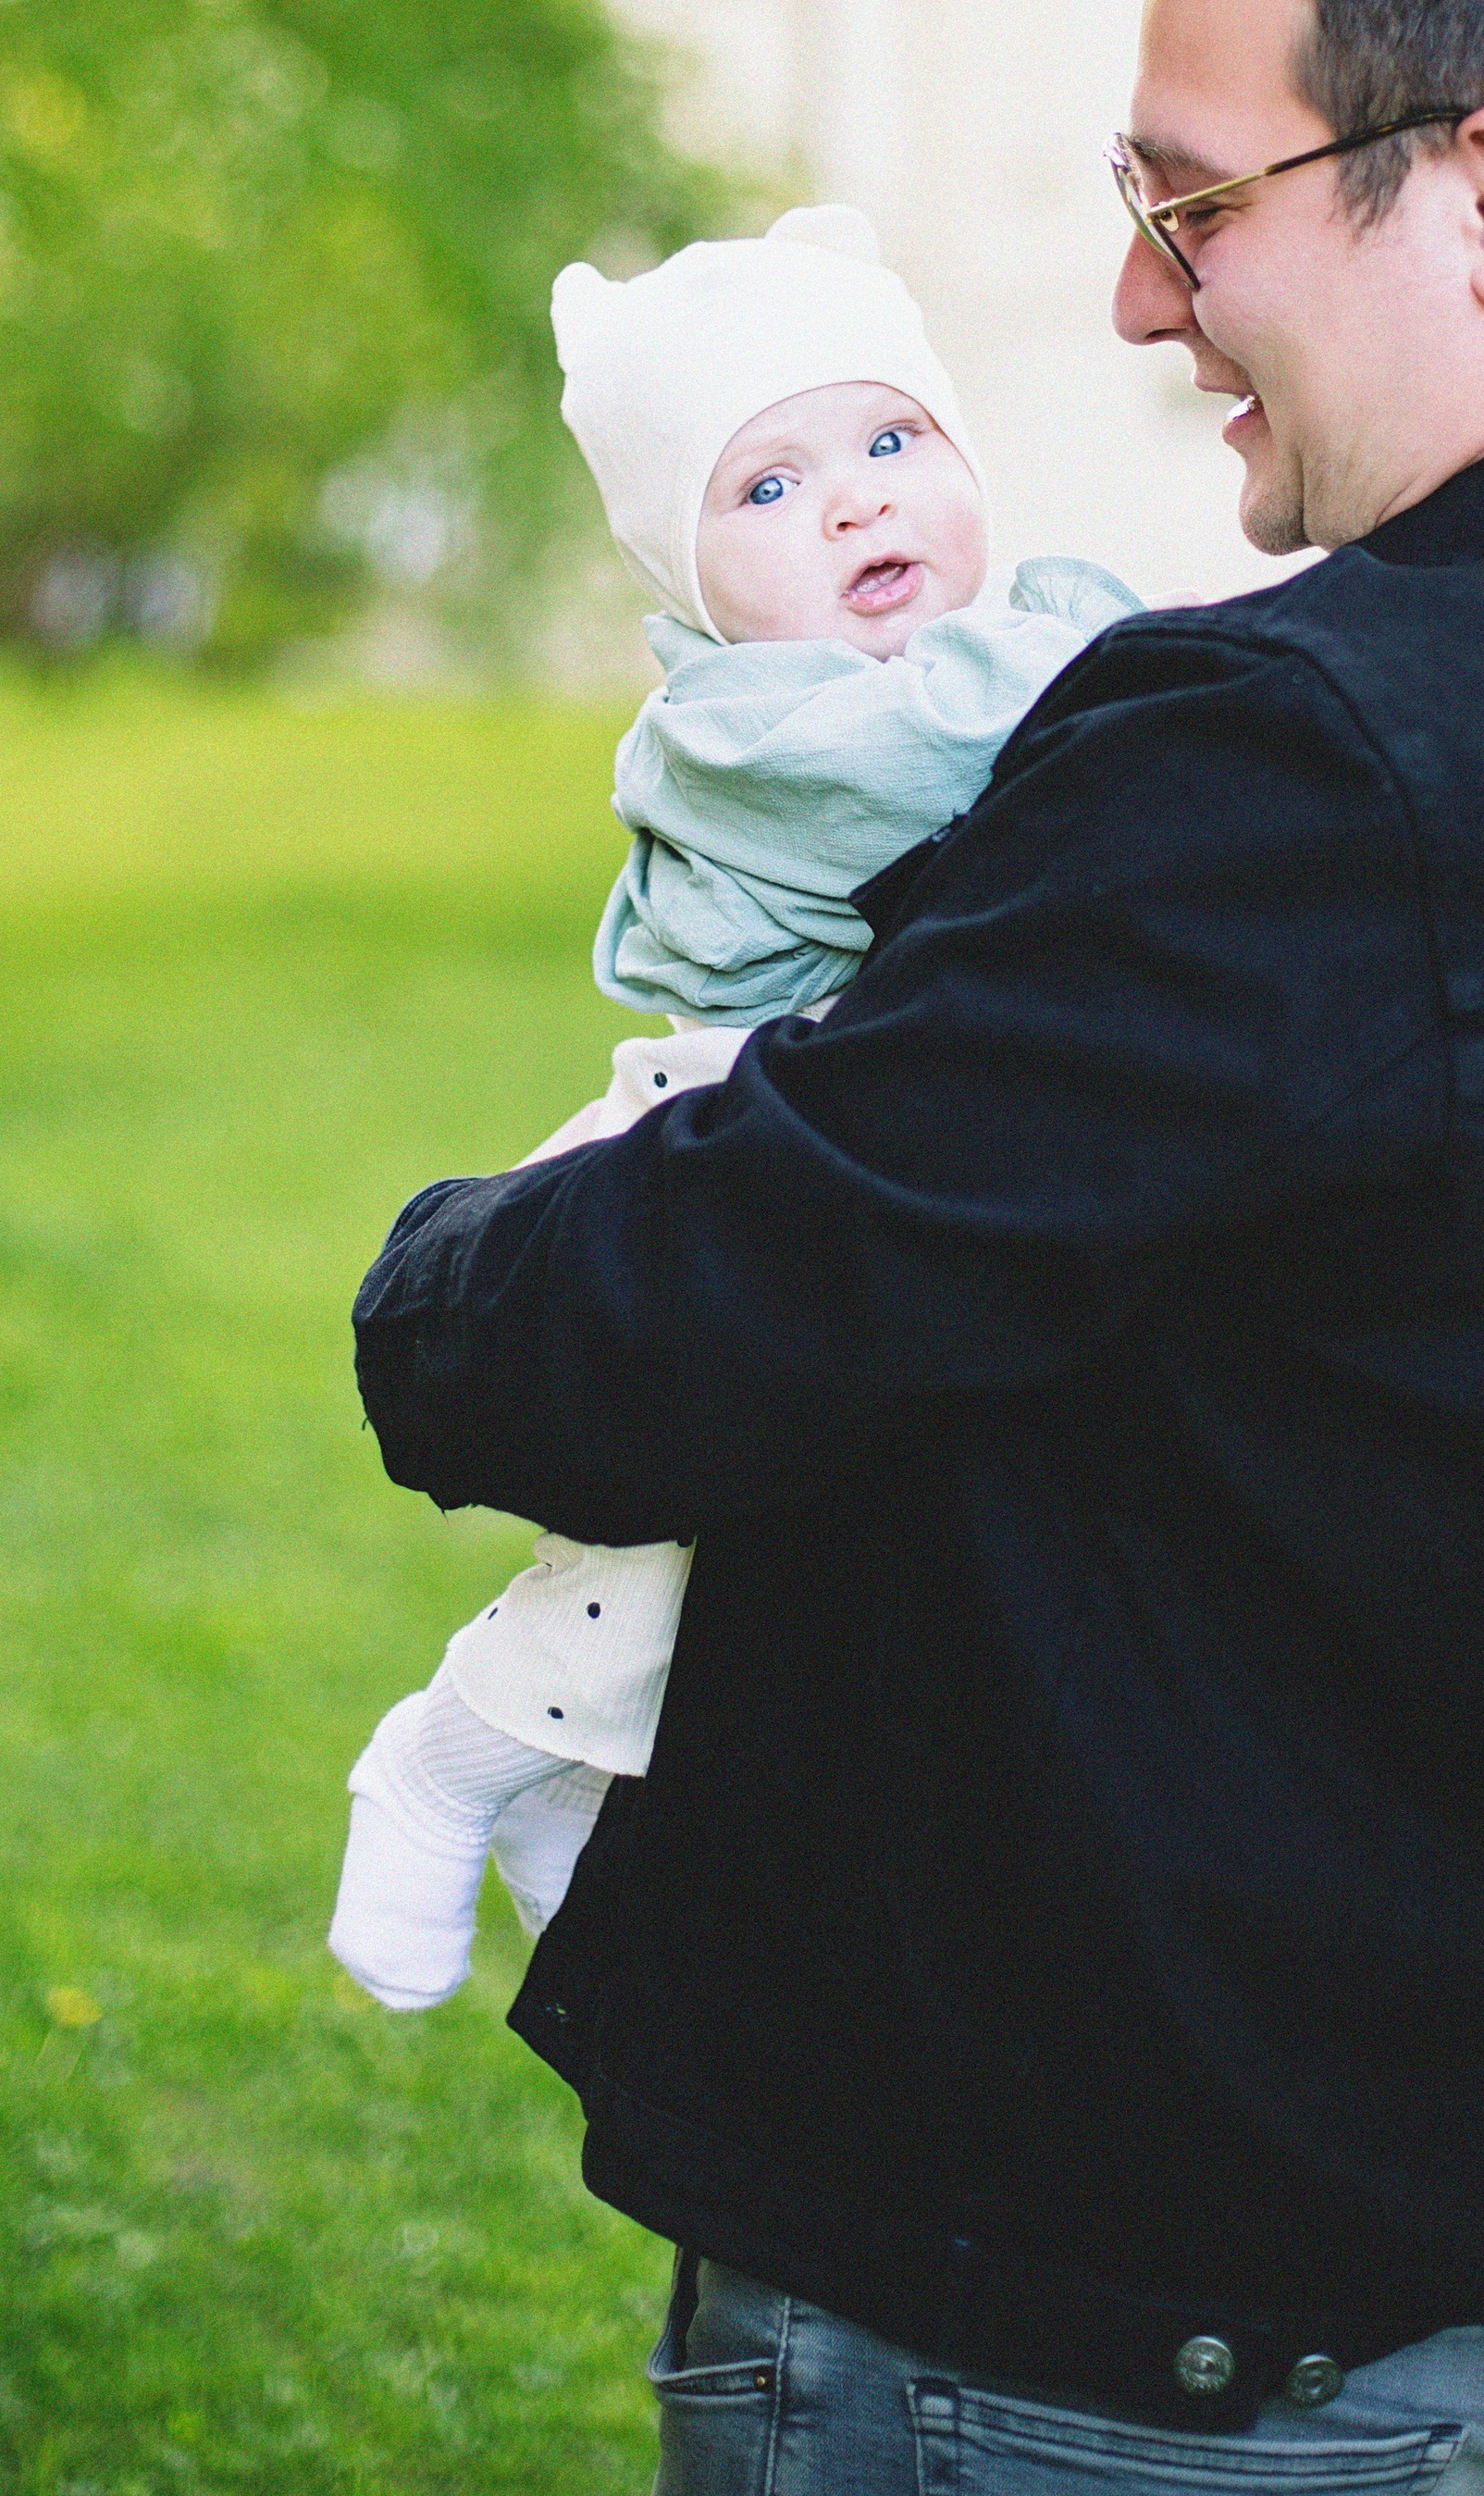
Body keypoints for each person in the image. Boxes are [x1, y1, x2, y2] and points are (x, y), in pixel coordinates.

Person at [352, 0, 1484, 2493]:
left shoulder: (1308, 754)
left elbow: (626, 1344)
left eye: (1192, 208)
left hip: (1076, 2340)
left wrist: (453, 1264)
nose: (1142, 314)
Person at [328, 202, 1138, 2005]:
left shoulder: (980, 652)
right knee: (665, 1518)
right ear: (681, 580)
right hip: (723, 1113)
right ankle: (453, 1749)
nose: (854, 500)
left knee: (740, 1544)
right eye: (762, 490)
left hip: (837, 1114)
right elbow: (965, 745)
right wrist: (1167, 668)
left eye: (889, 440)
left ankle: (553, 1795)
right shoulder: (759, 723)